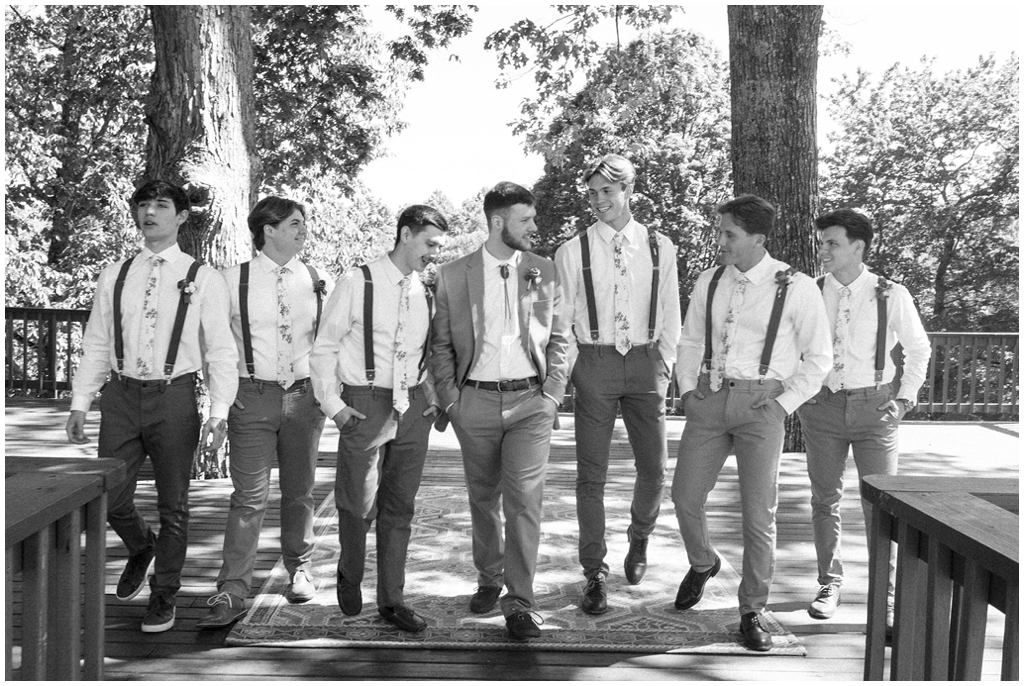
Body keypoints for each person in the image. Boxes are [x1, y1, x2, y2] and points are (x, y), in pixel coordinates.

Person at [66, 179, 238, 633]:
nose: (150, 212)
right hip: (120, 396)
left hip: (175, 395)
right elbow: (98, 341)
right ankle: (142, 547)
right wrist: (81, 401)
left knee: (174, 505)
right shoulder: (116, 272)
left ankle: (164, 595)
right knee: (108, 496)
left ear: (181, 216)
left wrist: (219, 413)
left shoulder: (203, 277)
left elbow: (220, 349)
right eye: (143, 204)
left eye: (161, 205)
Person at [671, 195, 831, 651]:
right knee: (684, 496)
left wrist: (784, 404)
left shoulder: (796, 286)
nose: (719, 241)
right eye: (719, 231)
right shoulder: (709, 279)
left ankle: (752, 609)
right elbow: (690, 340)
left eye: (729, 235)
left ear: (758, 239)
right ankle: (703, 562)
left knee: (759, 513)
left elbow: (819, 358)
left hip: (763, 406)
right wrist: (687, 391)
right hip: (709, 401)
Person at [430, 182, 569, 641]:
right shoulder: (453, 274)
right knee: (483, 498)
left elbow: (561, 337)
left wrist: (552, 394)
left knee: (525, 502)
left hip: (532, 403)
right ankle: (489, 578)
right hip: (475, 402)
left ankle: (520, 601)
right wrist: (452, 400)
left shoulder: (544, 270)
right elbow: (442, 346)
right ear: (497, 222)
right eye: (525, 219)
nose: (534, 227)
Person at [309, 205, 449, 633]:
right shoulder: (357, 281)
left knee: (399, 509)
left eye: (439, 248)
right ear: (406, 235)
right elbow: (324, 348)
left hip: (413, 412)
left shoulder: (425, 290)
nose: (434, 255)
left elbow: (428, 352)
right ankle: (349, 572)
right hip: (364, 404)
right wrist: (333, 405)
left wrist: (431, 397)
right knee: (356, 506)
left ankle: (393, 599)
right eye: (429, 244)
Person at [553, 154, 681, 614]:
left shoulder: (660, 246)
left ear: (628, 191)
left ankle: (640, 536)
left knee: (655, 469)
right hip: (595, 362)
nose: (598, 200)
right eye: (592, 193)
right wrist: (559, 383)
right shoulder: (571, 252)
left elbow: (671, 312)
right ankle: (594, 573)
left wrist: (664, 367)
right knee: (592, 476)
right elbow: (562, 323)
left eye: (607, 191)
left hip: (646, 363)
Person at [198, 197, 334, 629]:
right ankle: (233, 588)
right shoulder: (229, 280)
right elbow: (214, 345)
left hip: (304, 397)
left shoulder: (317, 278)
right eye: (294, 224)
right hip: (250, 397)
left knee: (300, 491)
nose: (302, 230)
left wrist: (326, 394)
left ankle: (299, 568)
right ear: (268, 229)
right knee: (248, 498)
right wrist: (222, 401)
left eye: (303, 223)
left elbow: (330, 344)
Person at [797, 209, 930, 630]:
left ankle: (884, 599)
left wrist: (905, 399)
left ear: (859, 246)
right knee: (824, 499)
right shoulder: (810, 291)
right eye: (821, 243)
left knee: (882, 506)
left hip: (876, 408)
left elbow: (919, 349)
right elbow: (787, 348)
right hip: (822, 407)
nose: (823, 251)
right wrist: (801, 394)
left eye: (831, 243)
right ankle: (828, 582)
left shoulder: (892, 293)